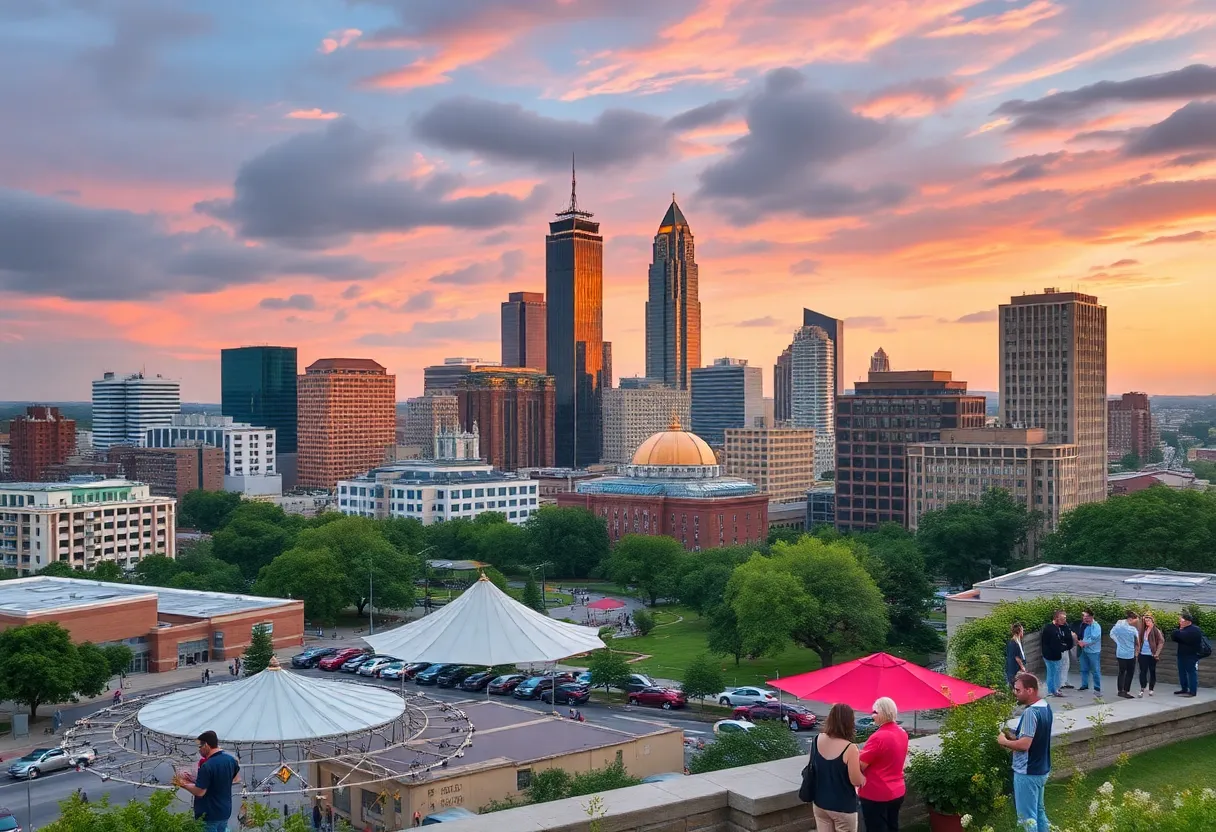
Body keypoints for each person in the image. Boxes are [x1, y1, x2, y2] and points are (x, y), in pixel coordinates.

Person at [997, 672, 1053, 832]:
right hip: (1042, 770)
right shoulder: (1045, 707)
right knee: (1039, 812)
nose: (1015, 693)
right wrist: (1013, 733)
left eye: (1018, 690)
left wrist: (1004, 741)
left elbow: (1025, 744)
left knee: (1027, 819)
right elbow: (1035, 736)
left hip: (1027, 772)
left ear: (1030, 690)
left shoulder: (1030, 713)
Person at [810, 703, 865, 832]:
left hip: (820, 803)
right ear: (850, 722)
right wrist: (863, 778)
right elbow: (855, 781)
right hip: (843, 807)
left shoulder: (817, 739)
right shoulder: (850, 748)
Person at [173, 730, 241, 832]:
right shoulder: (230, 760)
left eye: (200, 747)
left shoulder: (207, 766)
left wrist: (183, 784)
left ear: (206, 745)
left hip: (208, 814)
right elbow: (235, 778)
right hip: (225, 811)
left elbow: (200, 792)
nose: (199, 750)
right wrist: (198, 780)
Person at [858, 697, 908, 832]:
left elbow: (860, 765)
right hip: (897, 790)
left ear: (882, 713)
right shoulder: (902, 733)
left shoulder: (878, 737)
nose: (872, 715)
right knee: (893, 826)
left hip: (877, 793)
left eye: (875, 712)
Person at [1039, 610, 1073, 697]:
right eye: (1062, 619)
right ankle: (1052, 691)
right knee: (1052, 673)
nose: (1064, 621)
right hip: (1051, 656)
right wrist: (1065, 647)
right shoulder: (1051, 629)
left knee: (1054, 673)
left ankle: (1053, 690)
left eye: (1065, 618)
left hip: (1053, 655)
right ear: (1056, 618)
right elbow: (1055, 645)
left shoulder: (1055, 627)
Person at [1172, 612, 1204, 697]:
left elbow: (1184, 637)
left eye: (1181, 620)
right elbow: (1174, 635)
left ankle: (1193, 691)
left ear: (1187, 621)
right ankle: (1184, 688)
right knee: (1181, 672)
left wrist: (1180, 632)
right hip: (1181, 654)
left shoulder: (1194, 630)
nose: (1180, 622)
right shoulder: (1182, 629)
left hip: (1191, 655)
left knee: (1191, 672)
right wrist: (1180, 631)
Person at [1110, 610, 1139, 699]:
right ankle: (1126, 690)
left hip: (1120, 652)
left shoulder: (1118, 626)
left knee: (1121, 672)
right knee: (1130, 672)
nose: (1136, 623)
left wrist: (1118, 642)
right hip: (1130, 653)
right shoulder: (1132, 629)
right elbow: (1137, 642)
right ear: (1131, 619)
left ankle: (1120, 690)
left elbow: (1111, 634)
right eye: (1136, 621)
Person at [1075, 609, 1102, 697]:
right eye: (1084, 616)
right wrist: (1080, 641)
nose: (1084, 618)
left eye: (1086, 617)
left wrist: (1083, 643)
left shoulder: (1096, 626)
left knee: (1095, 670)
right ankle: (1084, 685)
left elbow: (1095, 638)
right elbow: (1083, 636)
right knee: (1083, 668)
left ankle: (1097, 688)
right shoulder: (1086, 626)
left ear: (1091, 617)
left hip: (1093, 651)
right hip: (1085, 650)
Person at [1137, 613, 1164, 697]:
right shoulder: (1142, 630)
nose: (1147, 622)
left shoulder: (1156, 631)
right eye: (1145, 621)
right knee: (1143, 671)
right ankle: (1142, 688)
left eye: (1148, 620)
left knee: (1152, 671)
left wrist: (1157, 653)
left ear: (1152, 621)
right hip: (1143, 654)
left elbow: (1161, 642)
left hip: (1152, 655)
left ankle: (1151, 688)